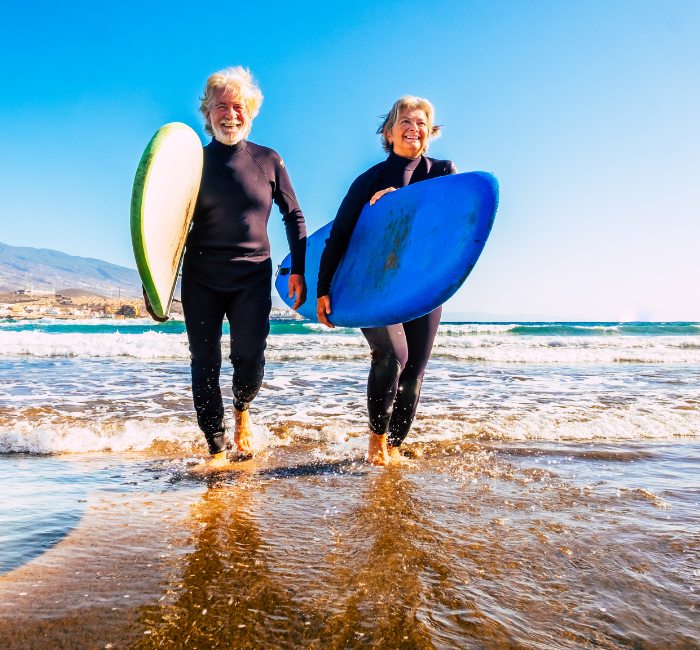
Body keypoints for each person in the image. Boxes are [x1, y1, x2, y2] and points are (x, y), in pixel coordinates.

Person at [146, 67, 306, 472]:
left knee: (249, 359)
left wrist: (300, 270)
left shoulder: (268, 160)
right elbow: (165, 224)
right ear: (208, 112)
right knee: (204, 363)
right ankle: (216, 449)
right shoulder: (194, 163)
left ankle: (242, 409)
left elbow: (294, 216)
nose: (230, 114)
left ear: (251, 111)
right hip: (202, 276)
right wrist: (154, 283)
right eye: (221, 106)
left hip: (252, 277)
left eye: (238, 106)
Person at [316, 96, 456, 466]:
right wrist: (323, 290)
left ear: (430, 132)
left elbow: (451, 228)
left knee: (414, 371)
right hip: (373, 284)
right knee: (393, 355)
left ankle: (394, 448)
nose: (414, 128)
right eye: (405, 121)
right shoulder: (369, 181)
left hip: (422, 284)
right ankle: (376, 444)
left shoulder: (443, 172)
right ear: (389, 132)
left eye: (422, 122)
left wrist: (405, 205)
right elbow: (341, 235)